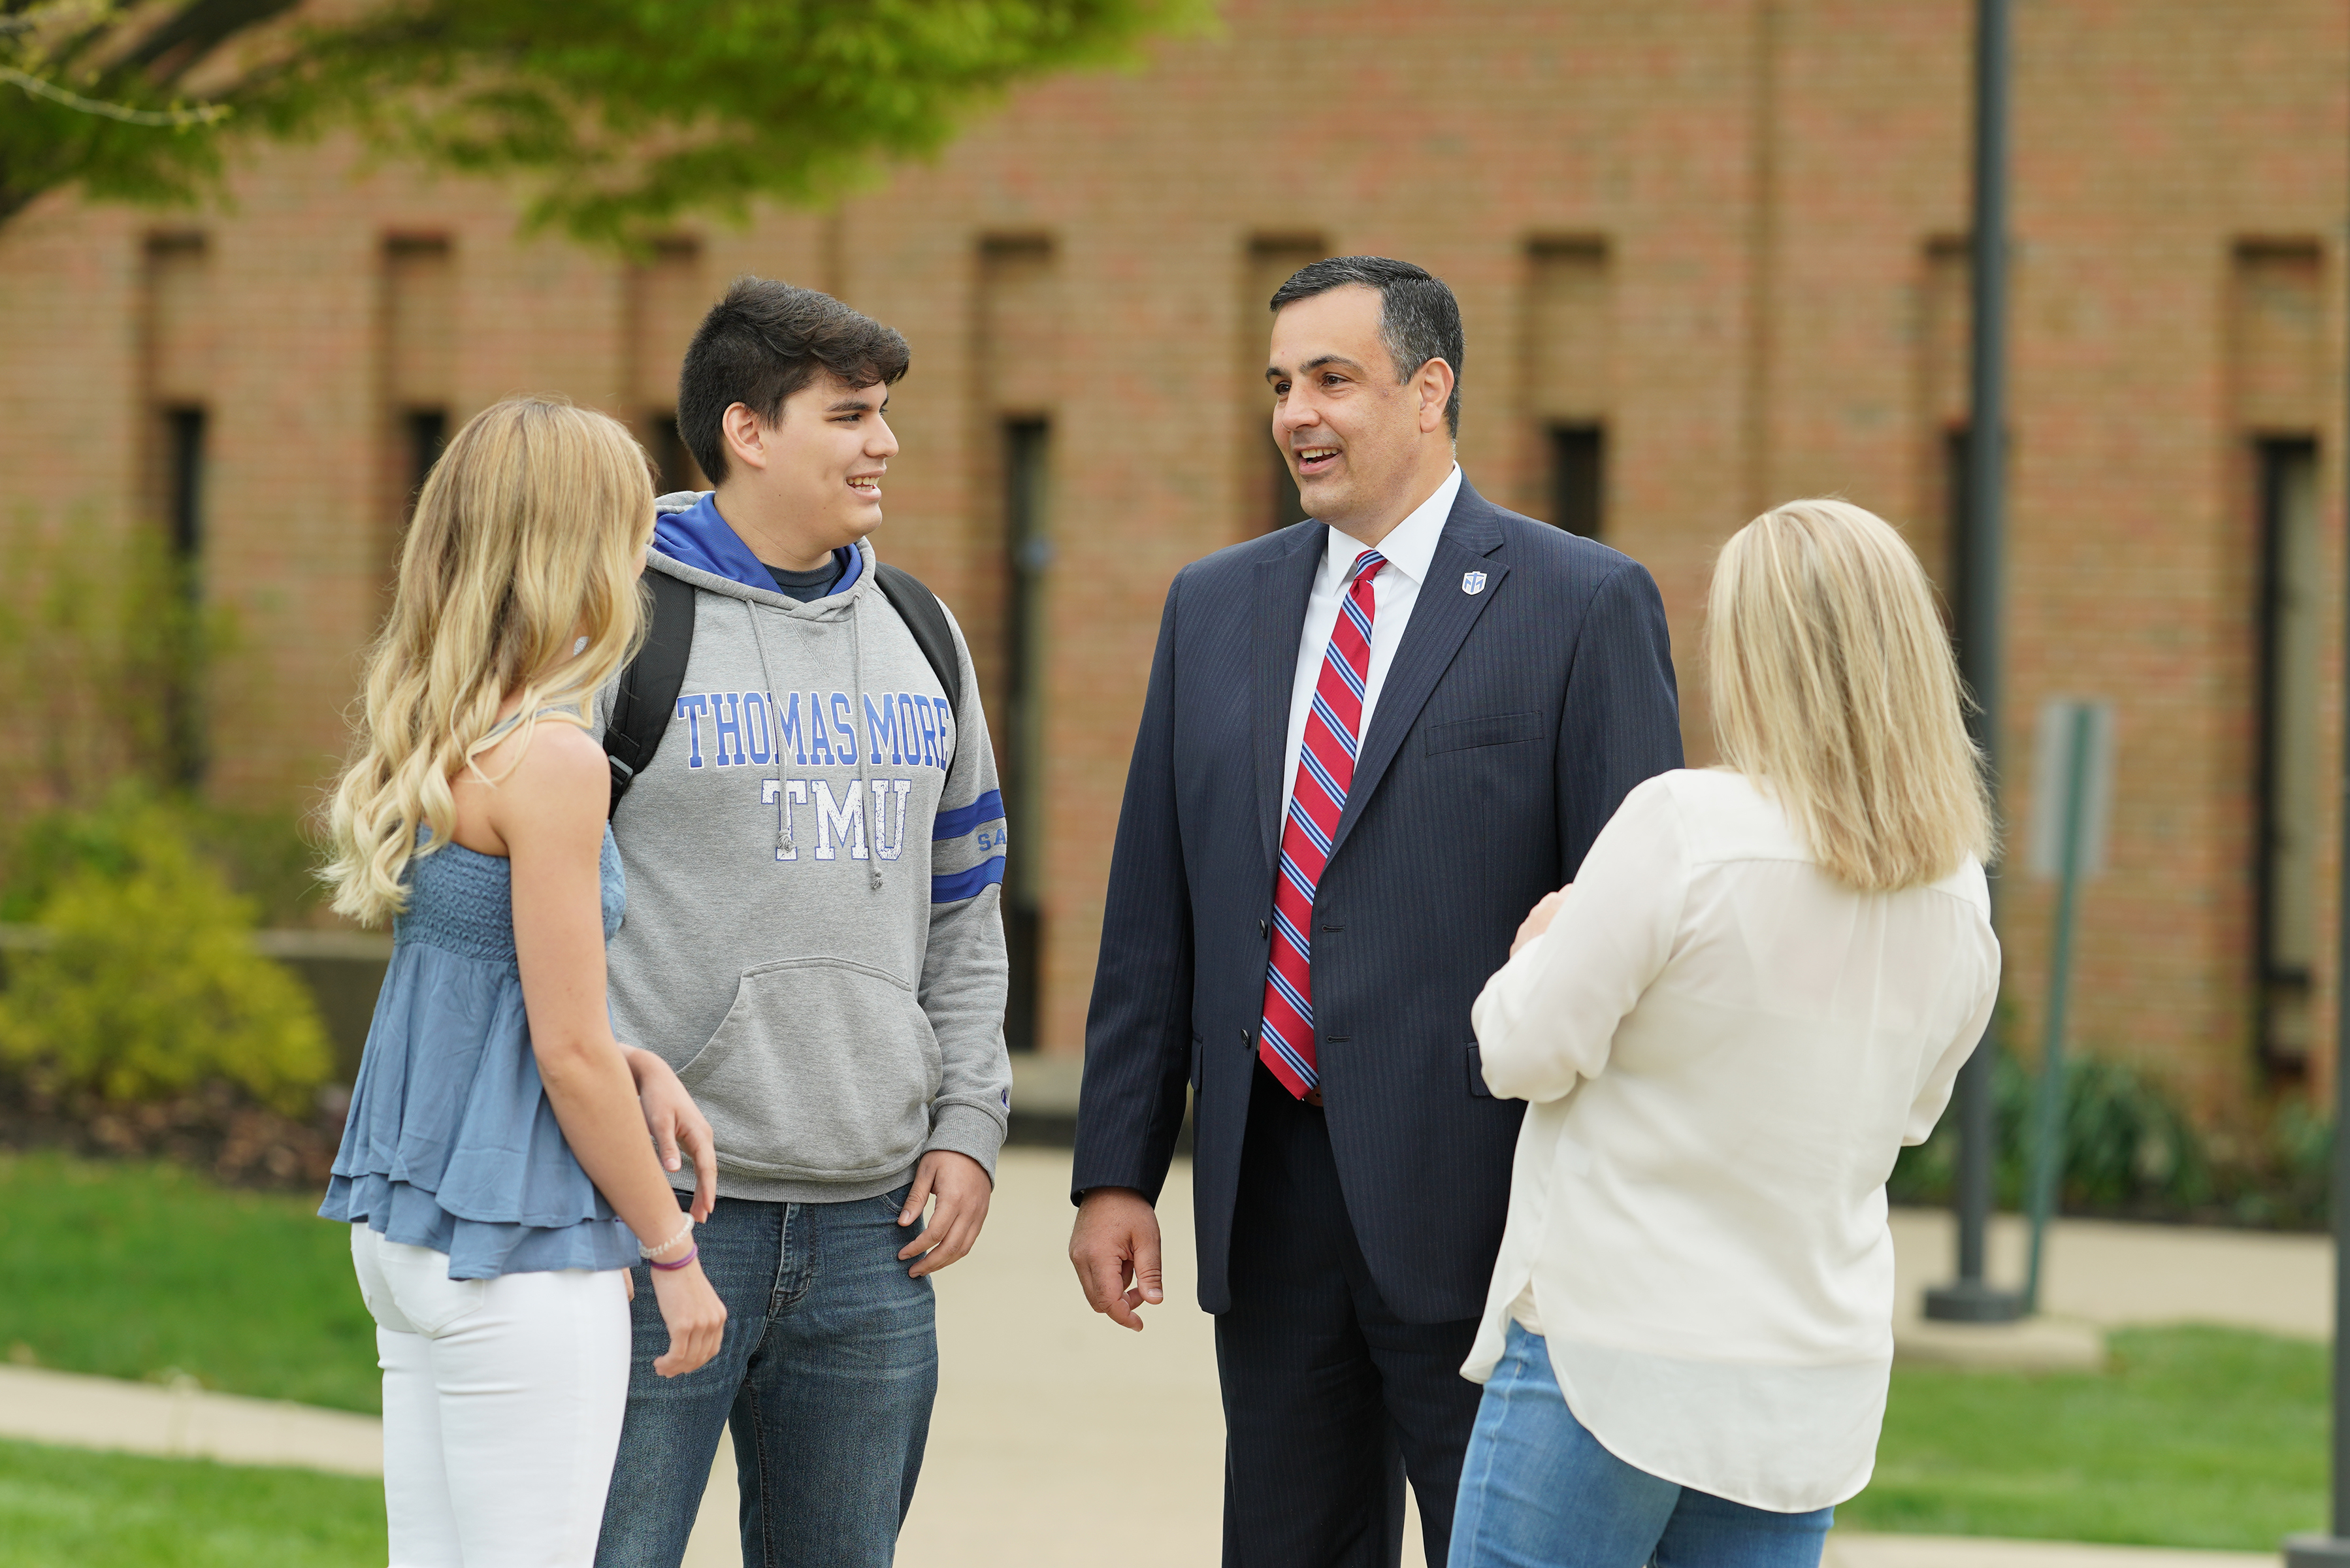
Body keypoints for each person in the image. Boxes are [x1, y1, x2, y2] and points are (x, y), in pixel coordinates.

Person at [1069, 255, 1684, 1566]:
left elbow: (1640, 929)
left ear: (1428, 391)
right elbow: (1152, 910)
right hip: (1268, 1196)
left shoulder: (1579, 604)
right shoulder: (1211, 606)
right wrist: (1117, 1168)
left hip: (1485, 1206)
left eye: (1331, 380)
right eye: (1281, 383)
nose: (1296, 412)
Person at [1448, 498, 2003, 1568]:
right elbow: (1910, 1117)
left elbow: (1518, 1053)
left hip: (1614, 1356)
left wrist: (1539, 942)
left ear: (1759, 655)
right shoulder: (1955, 891)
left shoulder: (1684, 828)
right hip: (1802, 1384)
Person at [591, 278, 1013, 1568]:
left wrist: (970, 1125)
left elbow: (966, 911)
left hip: (871, 1237)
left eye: (884, 412)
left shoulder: (922, 636)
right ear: (747, 430)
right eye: (849, 414)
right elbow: (513, 910)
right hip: (655, 1224)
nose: (882, 442)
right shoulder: (616, 627)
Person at [319, 396, 728, 1568]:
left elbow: (499, 985)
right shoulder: (551, 757)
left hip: (410, 1238)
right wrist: (671, 1252)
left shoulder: (438, 729)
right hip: (517, 1248)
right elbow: (564, 1050)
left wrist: (633, 1056)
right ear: (578, 551)